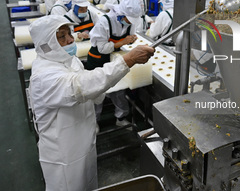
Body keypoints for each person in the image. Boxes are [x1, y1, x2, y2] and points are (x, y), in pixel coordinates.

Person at [29, 15, 154, 191]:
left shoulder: (69, 60)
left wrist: (100, 90)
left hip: (84, 143)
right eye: (62, 37)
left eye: (69, 34)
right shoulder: (43, 77)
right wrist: (128, 60)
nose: (71, 39)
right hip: (64, 155)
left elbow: (88, 86)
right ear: (46, 44)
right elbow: (81, 86)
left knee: (88, 184)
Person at [86, 0, 142, 124]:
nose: (129, 23)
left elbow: (127, 37)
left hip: (114, 57)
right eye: (128, 20)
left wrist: (130, 40)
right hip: (98, 59)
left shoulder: (128, 22)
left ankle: (120, 117)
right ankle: (94, 122)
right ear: (121, 15)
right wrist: (122, 41)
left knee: (118, 89)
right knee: (97, 92)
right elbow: (102, 48)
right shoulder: (105, 22)